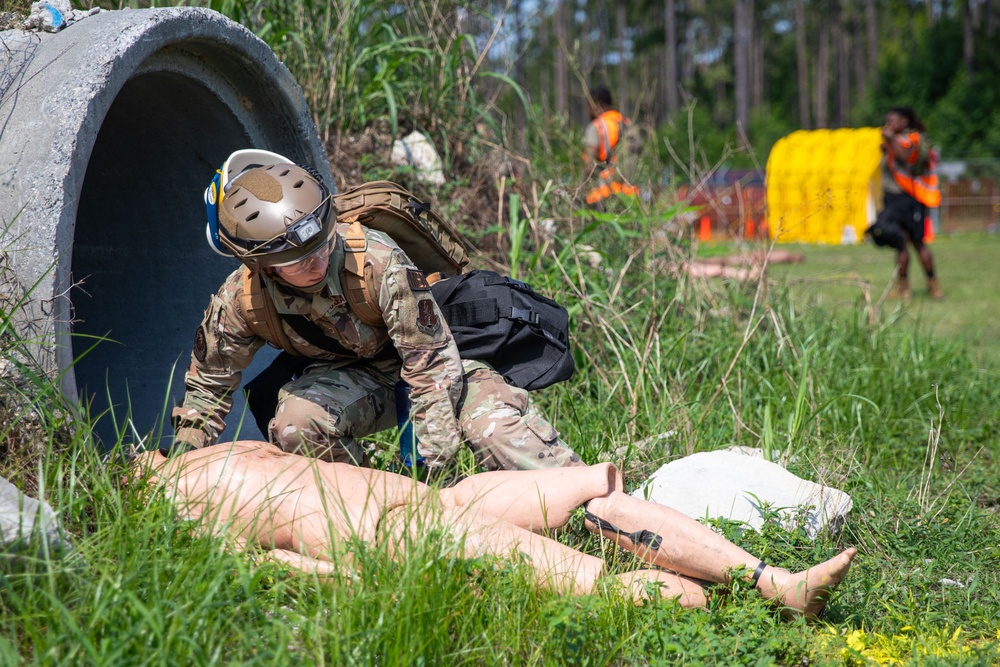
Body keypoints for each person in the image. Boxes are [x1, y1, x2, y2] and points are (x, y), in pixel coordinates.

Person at [168, 150, 583, 471]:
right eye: (296, 261)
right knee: (297, 425)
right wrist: (183, 460)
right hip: (358, 378)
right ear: (260, 263)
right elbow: (209, 386)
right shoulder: (241, 301)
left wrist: (432, 466)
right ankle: (372, 507)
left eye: (323, 245)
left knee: (494, 430)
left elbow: (432, 365)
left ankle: (600, 505)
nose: (315, 262)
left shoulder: (376, 261)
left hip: (442, 361)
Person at [137, 440, 857, 616]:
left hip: (428, 496)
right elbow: (260, 564)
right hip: (389, 531)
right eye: (125, 465)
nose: (136, 456)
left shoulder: (205, 450)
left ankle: (776, 582)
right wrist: (348, 574)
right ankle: (673, 598)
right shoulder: (174, 507)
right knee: (596, 582)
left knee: (592, 492)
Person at [866, 107, 943, 300]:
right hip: (893, 199)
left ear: (904, 121)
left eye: (892, 120)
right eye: (887, 120)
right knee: (900, 244)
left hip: (909, 199)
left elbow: (904, 158)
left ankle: (933, 285)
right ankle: (904, 289)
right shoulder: (893, 141)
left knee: (918, 243)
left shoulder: (913, 140)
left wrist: (890, 139)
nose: (888, 124)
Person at [582, 85, 641, 207]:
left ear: (596, 104)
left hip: (605, 195)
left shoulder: (597, 126)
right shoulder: (626, 123)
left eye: (589, 106)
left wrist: (580, 188)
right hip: (631, 194)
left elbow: (589, 166)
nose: (588, 111)